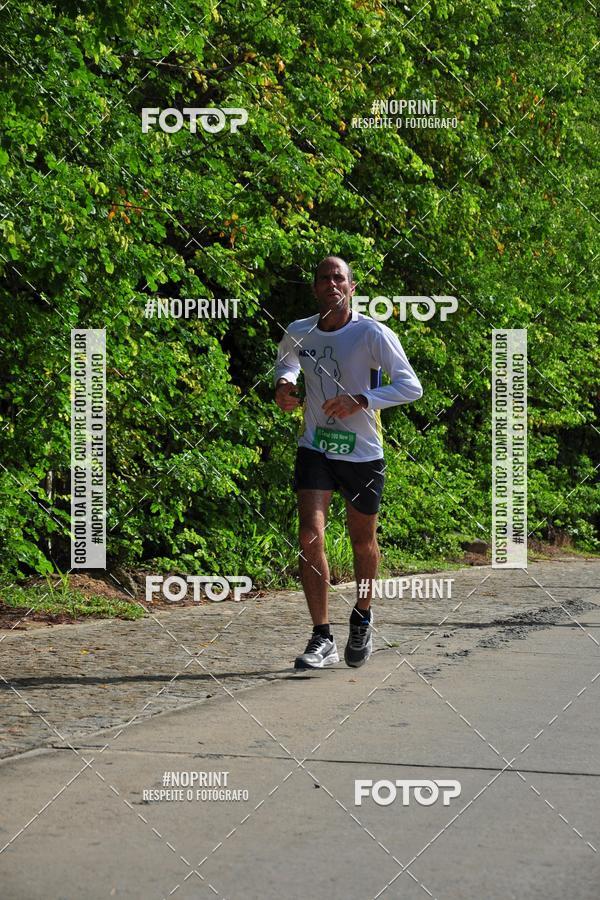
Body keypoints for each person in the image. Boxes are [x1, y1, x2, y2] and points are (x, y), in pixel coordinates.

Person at [274, 256, 423, 670]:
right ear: (315, 288)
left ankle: (362, 614)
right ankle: (322, 636)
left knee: (362, 542)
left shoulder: (372, 333)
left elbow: (411, 386)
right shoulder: (299, 330)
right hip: (316, 447)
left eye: (339, 277)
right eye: (324, 278)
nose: (331, 283)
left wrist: (362, 400)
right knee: (309, 536)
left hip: (362, 452)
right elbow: (287, 361)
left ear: (352, 288)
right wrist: (284, 385)